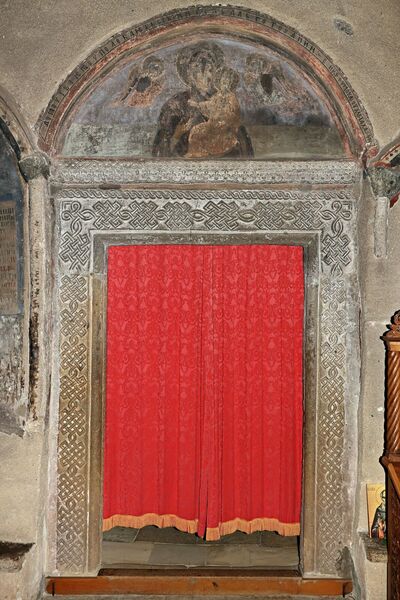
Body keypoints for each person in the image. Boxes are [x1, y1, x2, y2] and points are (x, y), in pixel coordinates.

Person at [152, 42, 253, 158]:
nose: (206, 76)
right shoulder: (175, 105)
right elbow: (161, 147)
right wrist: (177, 134)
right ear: (189, 74)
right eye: (199, 69)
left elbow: (241, 139)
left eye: (210, 70)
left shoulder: (226, 99)